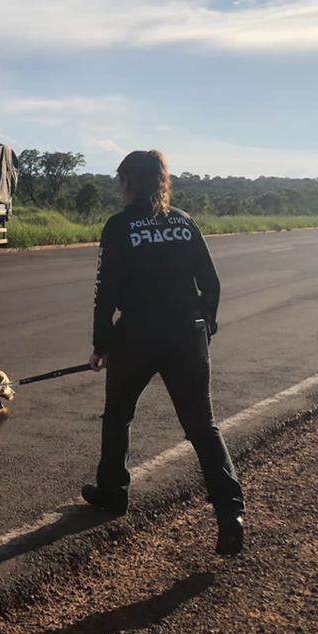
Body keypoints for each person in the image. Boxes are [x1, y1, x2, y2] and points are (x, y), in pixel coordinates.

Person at [83, 150, 245, 556]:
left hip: (136, 335)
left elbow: (105, 293)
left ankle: (114, 493)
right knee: (202, 426)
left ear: (127, 183)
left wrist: (101, 345)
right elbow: (211, 282)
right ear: (162, 182)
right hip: (186, 335)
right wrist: (204, 326)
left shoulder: (119, 227)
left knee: (118, 415)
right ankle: (231, 514)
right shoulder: (184, 223)